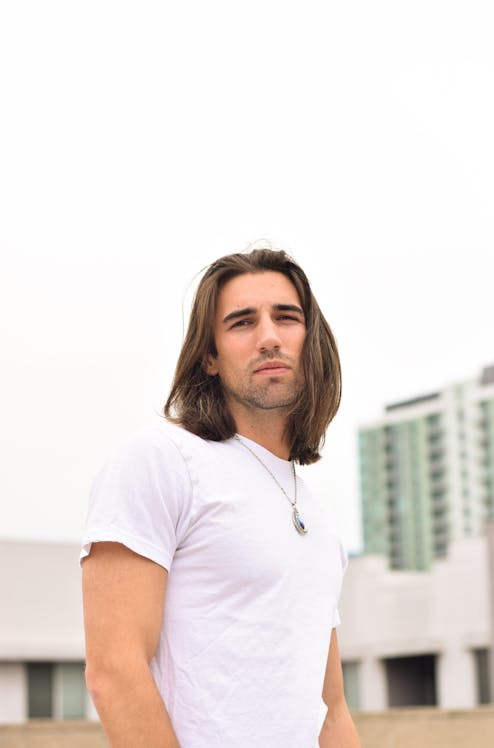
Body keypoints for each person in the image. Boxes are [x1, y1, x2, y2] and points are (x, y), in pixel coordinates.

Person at [81, 247, 360, 748]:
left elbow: (332, 712)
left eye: (286, 318)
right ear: (209, 356)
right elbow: (114, 670)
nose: (269, 337)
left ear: (309, 340)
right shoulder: (162, 459)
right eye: (242, 323)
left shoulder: (317, 518)